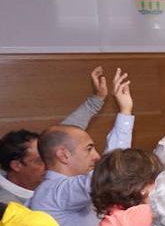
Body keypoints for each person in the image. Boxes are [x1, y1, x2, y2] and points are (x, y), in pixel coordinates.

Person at [30, 69, 134, 226]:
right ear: (63, 155)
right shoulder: (53, 193)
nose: (97, 156)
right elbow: (107, 173)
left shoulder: (62, 188)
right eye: (89, 149)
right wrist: (125, 113)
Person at [1, 66, 114, 207]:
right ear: (16, 165)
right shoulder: (7, 205)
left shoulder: (48, 168)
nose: (52, 162)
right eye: (41, 160)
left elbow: (64, 134)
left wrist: (97, 98)